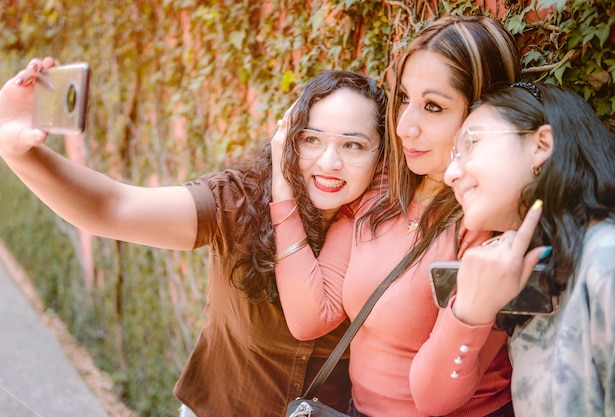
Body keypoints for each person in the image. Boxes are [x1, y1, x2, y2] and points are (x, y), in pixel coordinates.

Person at [0, 59, 388, 417]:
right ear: (287, 139)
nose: (329, 162)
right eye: (311, 139)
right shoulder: (239, 201)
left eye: (353, 145)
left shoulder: (388, 231)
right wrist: (19, 152)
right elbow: (112, 207)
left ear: (382, 155)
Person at [272, 15, 521, 417]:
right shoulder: (382, 190)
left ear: (483, 114)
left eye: (433, 107)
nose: (404, 127)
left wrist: (470, 307)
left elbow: (434, 399)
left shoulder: (487, 223)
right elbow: (310, 315)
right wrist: (281, 186)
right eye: (404, 98)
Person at [440, 82, 615, 416]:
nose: (450, 174)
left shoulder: (613, 260)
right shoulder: (540, 270)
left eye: (471, 143)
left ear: (541, 144)